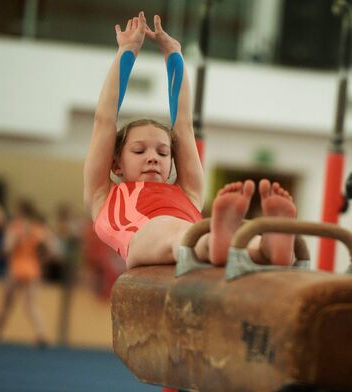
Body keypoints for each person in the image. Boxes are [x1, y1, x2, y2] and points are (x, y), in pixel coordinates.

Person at [84, 12, 297, 270]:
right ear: (116, 164)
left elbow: (183, 125)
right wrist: (127, 51)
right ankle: (220, 242)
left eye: (163, 153)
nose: (153, 157)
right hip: (143, 239)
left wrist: (175, 53)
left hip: (192, 234)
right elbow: (104, 121)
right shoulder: (103, 194)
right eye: (139, 151)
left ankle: (266, 248)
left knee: (197, 233)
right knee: (177, 231)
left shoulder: (187, 193)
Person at [0, 198, 55, 347]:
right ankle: (41, 334)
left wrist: (14, 248)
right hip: (32, 268)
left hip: (16, 268)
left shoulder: (16, 227)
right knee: (31, 305)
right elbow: (51, 249)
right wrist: (41, 260)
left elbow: (6, 248)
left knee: (6, 304)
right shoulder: (38, 228)